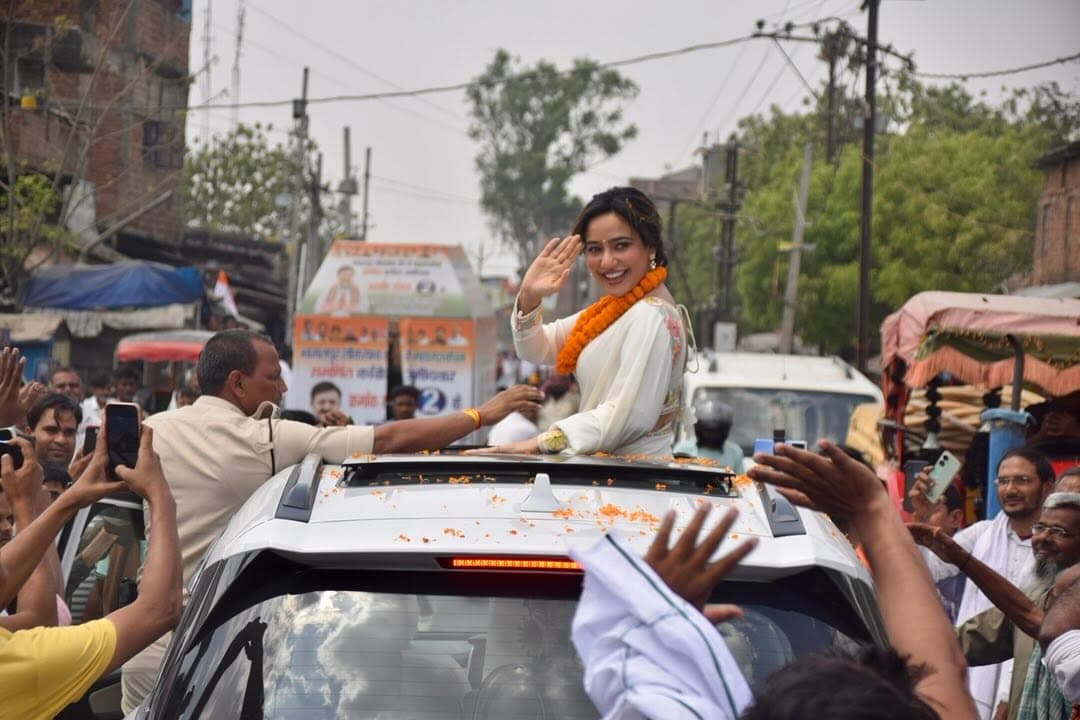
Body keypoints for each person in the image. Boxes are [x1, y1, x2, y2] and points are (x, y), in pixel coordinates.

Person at [119, 329, 542, 710]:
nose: (284, 388)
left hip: (145, 646)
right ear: (237, 382)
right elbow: (389, 440)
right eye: (273, 377)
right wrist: (480, 416)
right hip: (216, 646)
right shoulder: (266, 438)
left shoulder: (152, 430)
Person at [488, 186, 690, 456]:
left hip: (635, 484)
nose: (607, 262)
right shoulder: (615, 310)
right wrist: (529, 295)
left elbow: (627, 416)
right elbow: (536, 349)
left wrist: (540, 443)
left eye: (621, 245)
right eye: (595, 249)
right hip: (603, 475)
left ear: (650, 245)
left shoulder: (653, 314)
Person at [0, 427, 183, 719]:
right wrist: (160, 496)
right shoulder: (15, 665)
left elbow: (6, 576)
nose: (6, 530)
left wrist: (70, 500)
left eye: (8, 520)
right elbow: (159, 609)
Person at [910, 446, 1056, 719]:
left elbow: (1030, 629)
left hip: (1025, 685)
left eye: (1022, 480)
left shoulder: (1054, 549)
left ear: (1048, 487)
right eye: (1003, 481)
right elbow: (923, 575)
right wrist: (921, 517)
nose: (1010, 489)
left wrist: (1007, 696)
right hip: (970, 675)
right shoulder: (980, 535)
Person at [673, 396, 744, 471]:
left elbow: (740, 480)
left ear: (724, 431)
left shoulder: (734, 452)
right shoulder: (683, 449)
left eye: (717, 432)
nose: (712, 436)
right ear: (699, 430)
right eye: (708, 431)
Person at [27, 393, 82, 467]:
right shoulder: (10, 475)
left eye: (69, 433)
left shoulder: (90, 478)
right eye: (51, 430)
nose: (61, 440)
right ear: (29, 433)